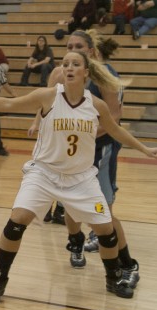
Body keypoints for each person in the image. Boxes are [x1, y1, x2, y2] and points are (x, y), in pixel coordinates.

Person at [0, 51, 157, 304]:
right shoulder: (48, 96)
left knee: (105, 228)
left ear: (86, 73)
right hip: (44, 174)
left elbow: (115, 130)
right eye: (65, 64)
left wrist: (144, 148)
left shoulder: (96, 104)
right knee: (17, 221)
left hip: (80, 179)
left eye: (75, 64)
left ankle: (113, 277)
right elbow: (8, 104)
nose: (69, 68)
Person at [33, 30, 140, 289]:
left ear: (91, 51)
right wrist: (37, 123)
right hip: (71, 152)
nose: (73, 50)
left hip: (100, 148)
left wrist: (83, 132)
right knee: (69, 205)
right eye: (69, 46)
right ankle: (76, 240)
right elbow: (44, 104)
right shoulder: (59, 74)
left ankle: (128, 265)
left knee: (104, 212)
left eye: (79, 46)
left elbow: (114, 119)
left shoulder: (105, 77)